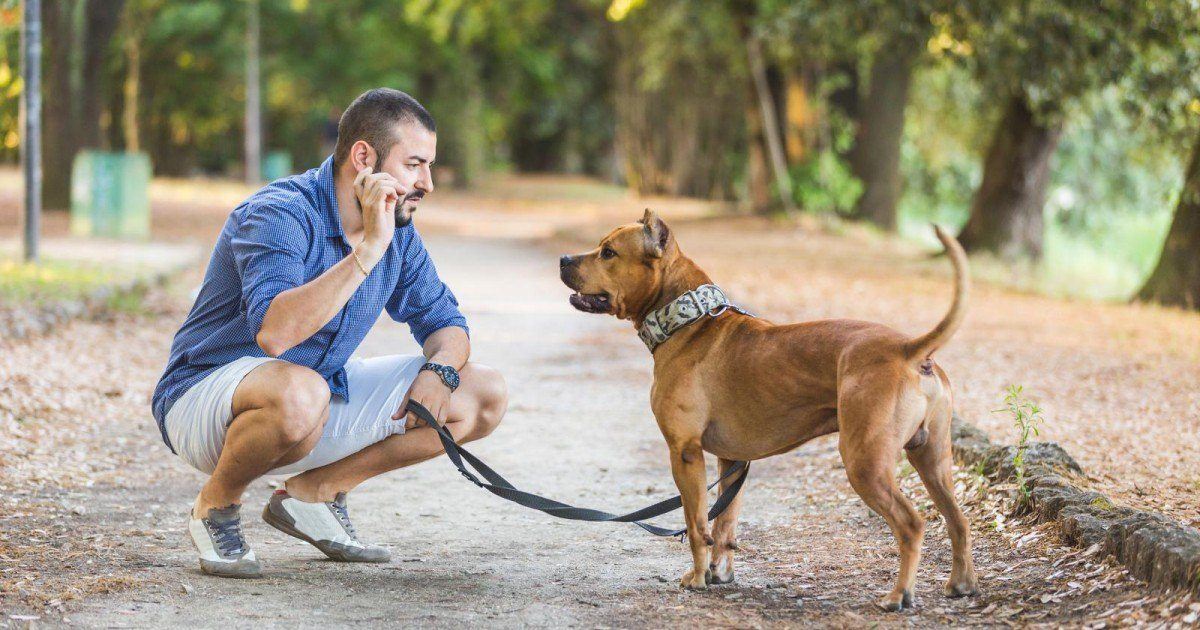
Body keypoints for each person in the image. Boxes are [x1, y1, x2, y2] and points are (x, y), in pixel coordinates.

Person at [151, 88, 507, 578]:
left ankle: (313, 495)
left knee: (480, 392)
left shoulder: (398, 235)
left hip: (313, 398)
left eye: (429, 166)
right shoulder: (280, 213)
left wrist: (441, 369)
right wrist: (366, 251)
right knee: (301, 392)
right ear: (364, 157)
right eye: (414, 165)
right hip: (206, 400)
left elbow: (447, 324)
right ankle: (216, 506)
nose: (427, 182)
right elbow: (276, 334)